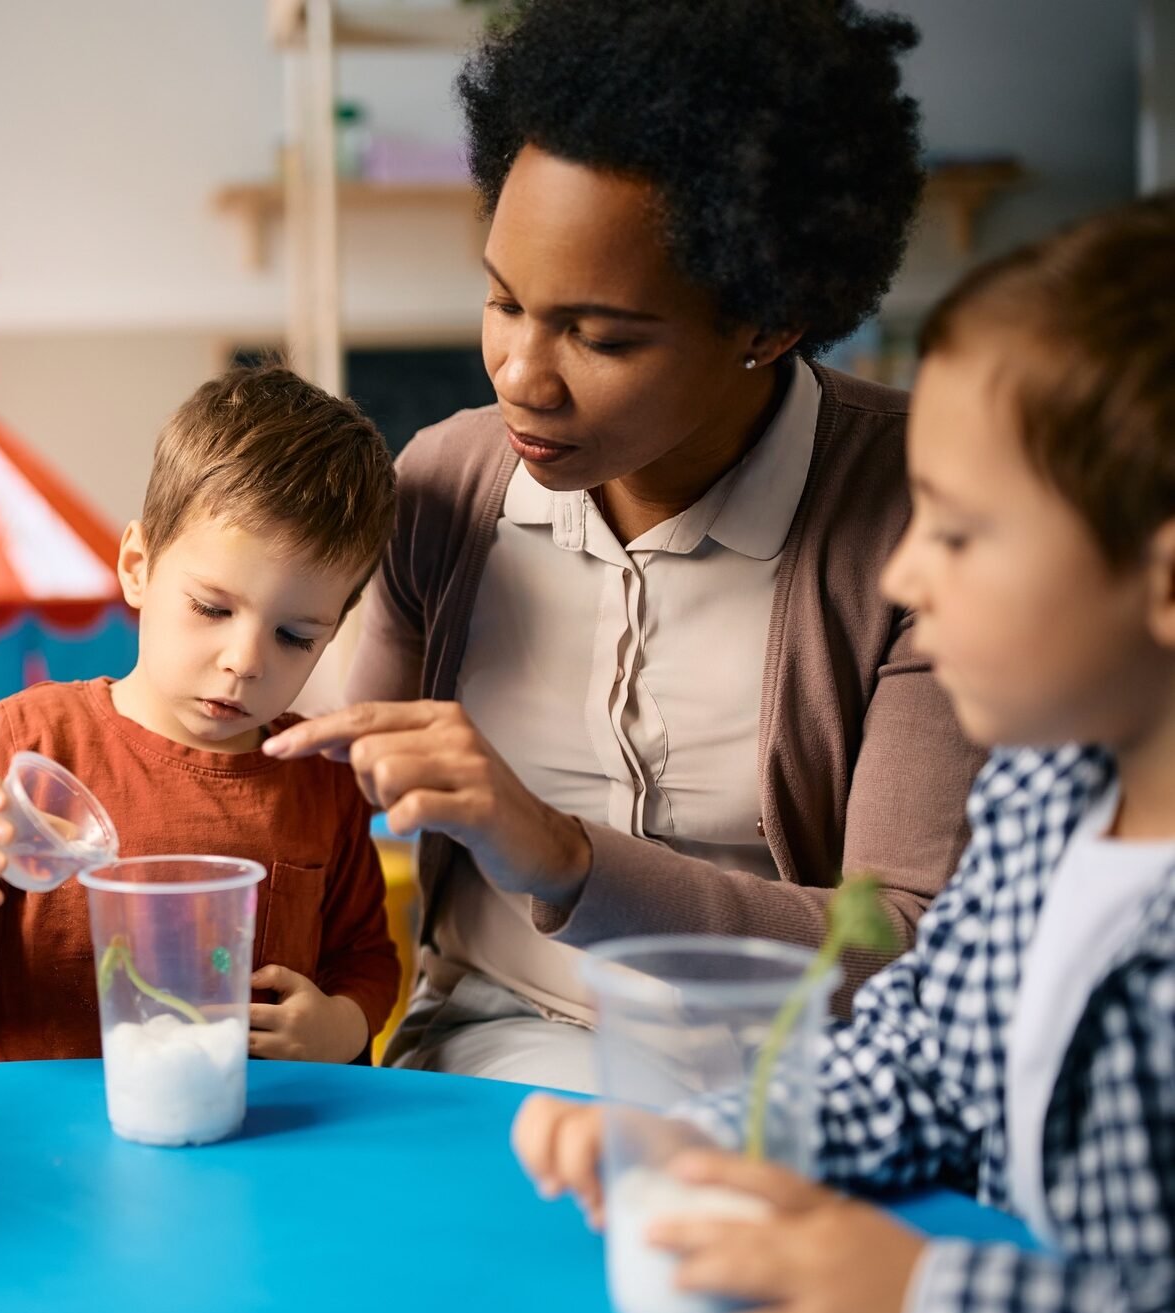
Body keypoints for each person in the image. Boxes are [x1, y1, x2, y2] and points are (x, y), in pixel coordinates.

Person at [259, 0, 983, 1091]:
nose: (519, 374)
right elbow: (319, 769)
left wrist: (564, 853)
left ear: (768, 322)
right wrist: (82, 754)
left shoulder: (916, 513)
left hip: (785, 1085)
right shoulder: (446, 488)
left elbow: (900, 942)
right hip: (492, 1051)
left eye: (598, 336)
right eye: (503, 302)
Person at [513, 194, 1175, 1313]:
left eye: (959, 533)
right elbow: (920, 1056)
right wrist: (717, 1130)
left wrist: (927, 1296)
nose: (904, 575)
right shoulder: (1043, 791)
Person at [0, 363, 400, 1066]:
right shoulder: (29, 741)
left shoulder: (318, 778)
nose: (244, 659)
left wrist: (344, 1023)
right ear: (138, 566)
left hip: (247, 1141)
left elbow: (365, 954)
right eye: (212, 608)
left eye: (294, 636)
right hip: (42, 1142)